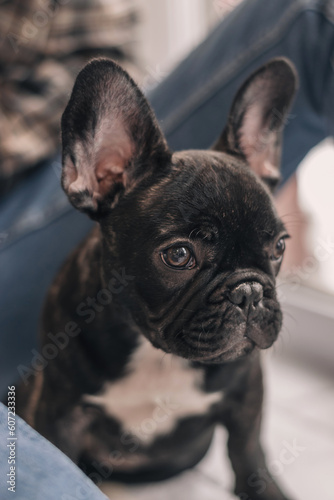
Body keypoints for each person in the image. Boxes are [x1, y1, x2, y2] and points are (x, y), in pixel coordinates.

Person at [0, 0, 333, 498]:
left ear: (263, 160)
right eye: (181, 256)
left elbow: (242, 391)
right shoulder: (72, 311)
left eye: (272, 249)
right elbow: (58, 412)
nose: (247, 296)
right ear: (99, 177)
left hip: (181, 453)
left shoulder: (224, 324)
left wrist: (252, 473)